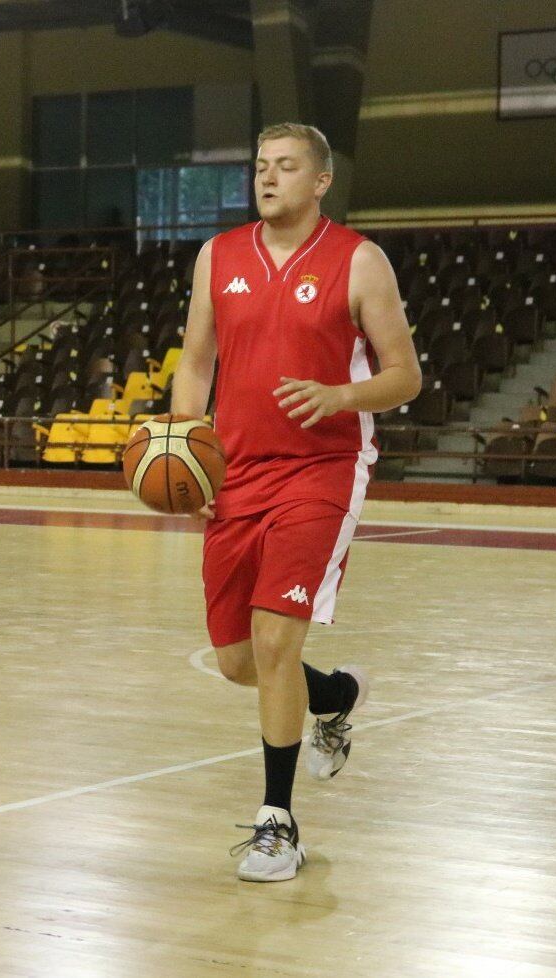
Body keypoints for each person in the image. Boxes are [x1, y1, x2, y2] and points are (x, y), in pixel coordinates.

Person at [171, 123, 421, 882]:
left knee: (276, 643)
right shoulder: (218, 256)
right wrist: (187, 454)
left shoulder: (358, 261)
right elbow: (195, 363)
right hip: (236, 473)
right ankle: (337, 694)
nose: (267, 178)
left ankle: (276, 825)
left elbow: (404, 376)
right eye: (259, 167)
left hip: (321, 468)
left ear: (320, 182)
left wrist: (341, 394)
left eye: (285, 167)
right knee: (237, 661)